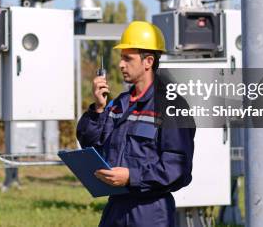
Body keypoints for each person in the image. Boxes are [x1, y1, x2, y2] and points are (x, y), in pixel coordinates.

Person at [77, 21, 196, 227]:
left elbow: (177, 169)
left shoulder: (172, 105)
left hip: (150, 211)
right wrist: (98, 107)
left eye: (127, 58)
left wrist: (132, 177)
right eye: (121, 58)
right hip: (116, 207)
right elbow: (90, 143)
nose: (121, 64)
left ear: (148, 61)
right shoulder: (119, 104)